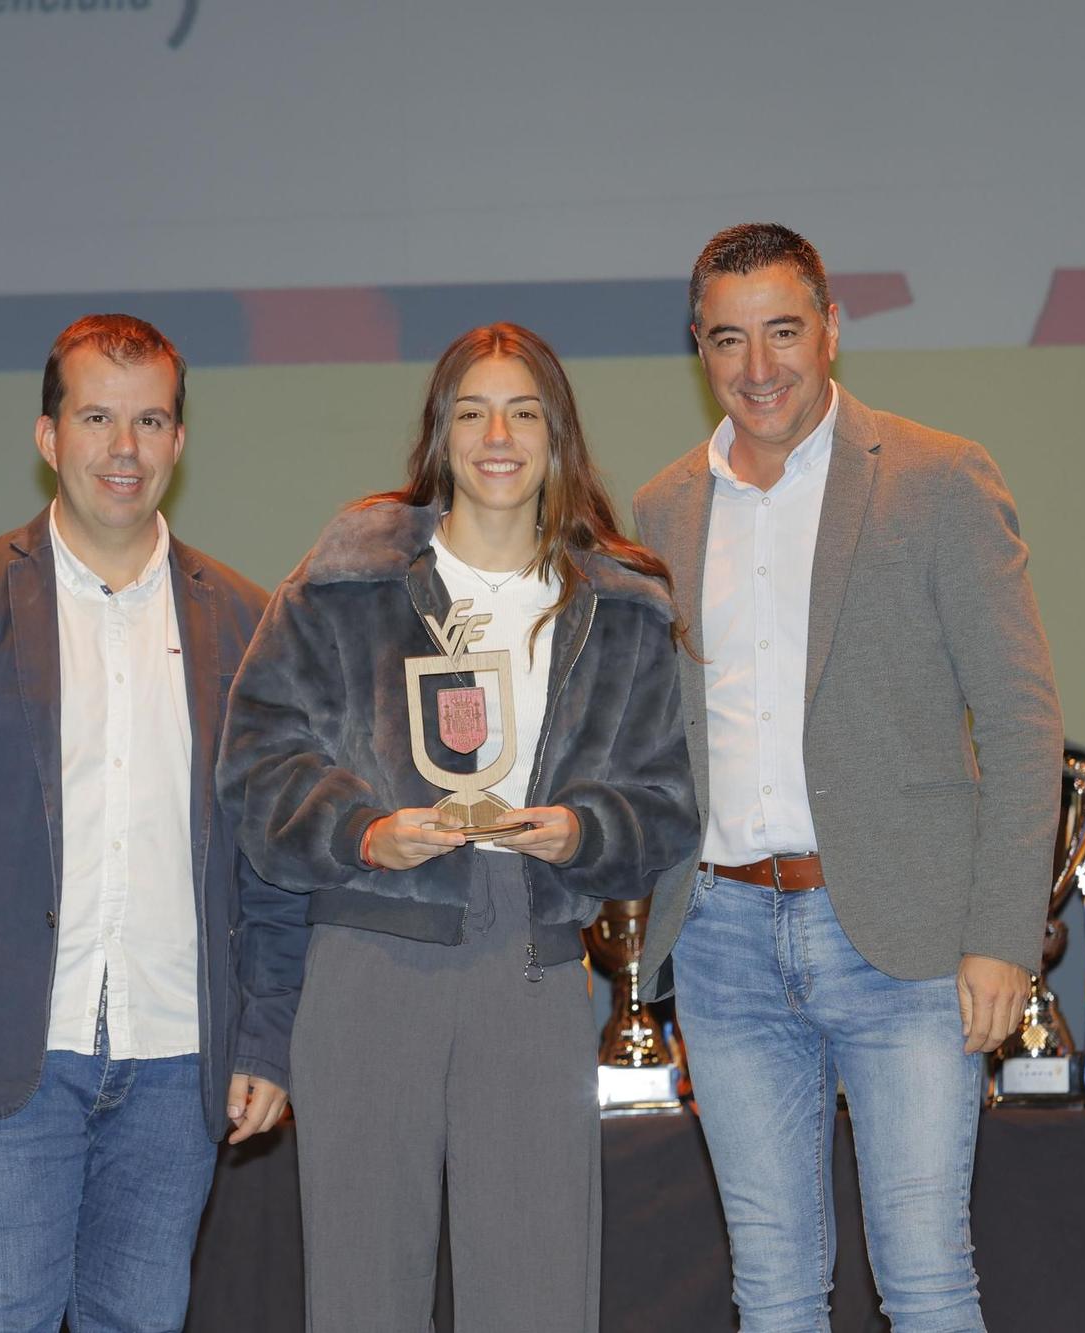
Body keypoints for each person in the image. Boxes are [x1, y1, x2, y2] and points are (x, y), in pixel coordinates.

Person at [219, 322, 698, 1333]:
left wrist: (583, 829)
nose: (497, 434)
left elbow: (663, 800)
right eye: (471, 410)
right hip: (365, 951)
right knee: (360, 1294)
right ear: (438, 434)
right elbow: (255, 764)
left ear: (556, 437)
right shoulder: (344, 580)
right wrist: (361, 831)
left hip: (528, 957)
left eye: (523, 411)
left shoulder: (618, 603)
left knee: (535, 1289)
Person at [633, 224, 1062, 1332]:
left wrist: (1003, 934)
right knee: (770, 1290)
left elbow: (1021, 721)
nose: (758, 365)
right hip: (722, 941)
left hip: (906, 941)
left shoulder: (936, 477)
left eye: (783, 330)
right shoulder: (659, 512)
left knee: (922, 1279)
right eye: (729, 339)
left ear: (831, 328)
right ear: (698, 347)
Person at [0, 313, 308, 1333]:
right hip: (0, 1055)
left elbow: (274, 862)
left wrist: (270, 1039)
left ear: (179, 443)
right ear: (47, 435)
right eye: (96, 417)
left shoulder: (242, 622)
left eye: (149, 420)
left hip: (176, 1065)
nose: (124, 448)